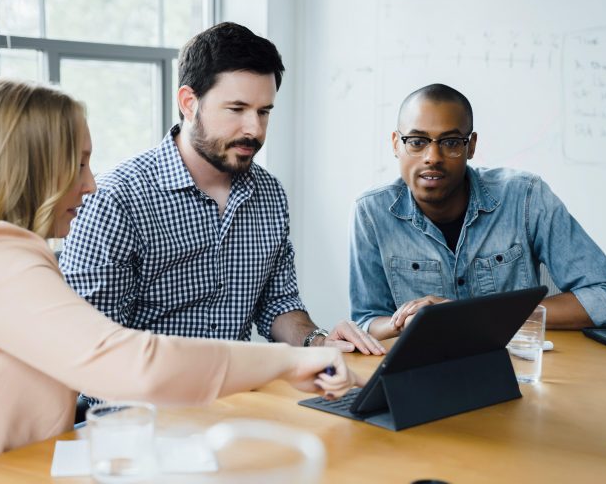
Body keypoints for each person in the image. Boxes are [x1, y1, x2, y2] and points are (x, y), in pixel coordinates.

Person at [0, 77, 362, 484]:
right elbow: (130, 364)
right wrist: (290, 361)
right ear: (29, 169)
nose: (91, 183)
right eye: (78, 163)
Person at [60, 22, 383, 358]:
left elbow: (279, 303)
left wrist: (318, 342)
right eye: (237, 109)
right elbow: (91, 346)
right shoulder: (116, 199)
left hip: (239, 395)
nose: (254, 129)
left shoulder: (269, 194)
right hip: (147, 404)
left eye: (263, 112)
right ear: (188, 102)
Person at [350, 83, 606, 339]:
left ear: (470, 146)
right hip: (427, 373)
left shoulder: (526, 196)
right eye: (417, 141)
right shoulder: (372, 212)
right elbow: (367, 320)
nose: (432, 157)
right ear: (396, 144)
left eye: (450, 142)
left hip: (520, 370)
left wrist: (472, 315)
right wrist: (408, 322)